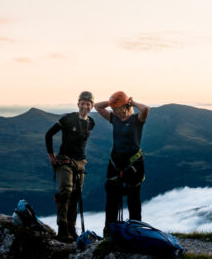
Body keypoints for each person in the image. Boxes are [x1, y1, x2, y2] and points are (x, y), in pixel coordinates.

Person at [93, 94, 149, 232]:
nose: (114, 111)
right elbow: (97, 106)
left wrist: (132, 102)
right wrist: (112, 102)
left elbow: (145, 109)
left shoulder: (137, 120)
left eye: (117, 108)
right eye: (113, 108)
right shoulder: (114, 119)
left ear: (125, 107)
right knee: (112, 198)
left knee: (133, 198)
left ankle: (136, 230)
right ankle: (110, 230)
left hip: (133, 163)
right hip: (116, 162)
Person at [45, 91, 95, 243]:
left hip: (80, 163)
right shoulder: (68, 119)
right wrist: (51, 156)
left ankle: (72, 230)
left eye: (88, 104)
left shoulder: (91, 122)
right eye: (82, 103)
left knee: (76, 195)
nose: (84, 106)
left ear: (91, 106)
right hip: (64, 160)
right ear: (78, 103)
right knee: (65, 191)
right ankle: (62, 230)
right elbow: (49, 134)